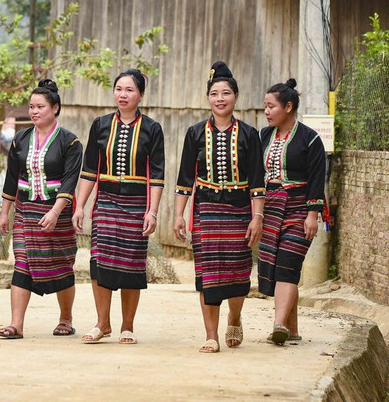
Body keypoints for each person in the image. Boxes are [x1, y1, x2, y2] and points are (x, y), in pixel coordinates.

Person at [173, 61, 265, 353]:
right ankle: (211, 335)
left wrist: (258, 217)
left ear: (236, 97)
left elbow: (257, 182)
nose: (220, 98)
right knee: (207, 275)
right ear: (208, 98)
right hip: (206, 211)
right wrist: (178, 214)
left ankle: (235, 317)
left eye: (226, 93)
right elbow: (185, 177)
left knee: (238, 273)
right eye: (214, 93)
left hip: (239, 212)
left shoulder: (250, 135)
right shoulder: (195, 133)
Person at [72, 69, 165, 345]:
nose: (123, 95)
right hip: (106, 204)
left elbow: (157, 175)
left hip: (137, 205)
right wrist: (80, 206)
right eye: (119, 89)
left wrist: (152, 211)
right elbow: (90, 170)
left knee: (131, 265)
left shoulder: (152, 129)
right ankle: (103, 324)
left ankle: (127, 326)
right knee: (99, 262)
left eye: (129, 90)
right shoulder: (100, 124)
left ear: (141, 95)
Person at [0, 80, 83, 339]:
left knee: (62, 264)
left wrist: (55, 212)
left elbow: (70, 179)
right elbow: (12, 177)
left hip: (58, 211)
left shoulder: (70, 142)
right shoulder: (20, 139)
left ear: (55, 108)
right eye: (31, 107)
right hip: (25, 210)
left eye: (40, 106)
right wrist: (4, 212)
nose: (34, 111)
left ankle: (65, 319)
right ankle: (16, 325)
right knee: (22, 262)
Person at [258, 79, 326, 345]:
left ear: (288, 107)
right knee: (276, 267)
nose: (266, 111)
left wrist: (313, 214)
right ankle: (292, 328)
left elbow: (317, 178)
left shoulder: (310, 139)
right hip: (271, 207)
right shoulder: (263, 136)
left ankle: (277, 325)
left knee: (288, 264)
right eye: (265, 106)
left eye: (271, 106)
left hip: (299, 209)